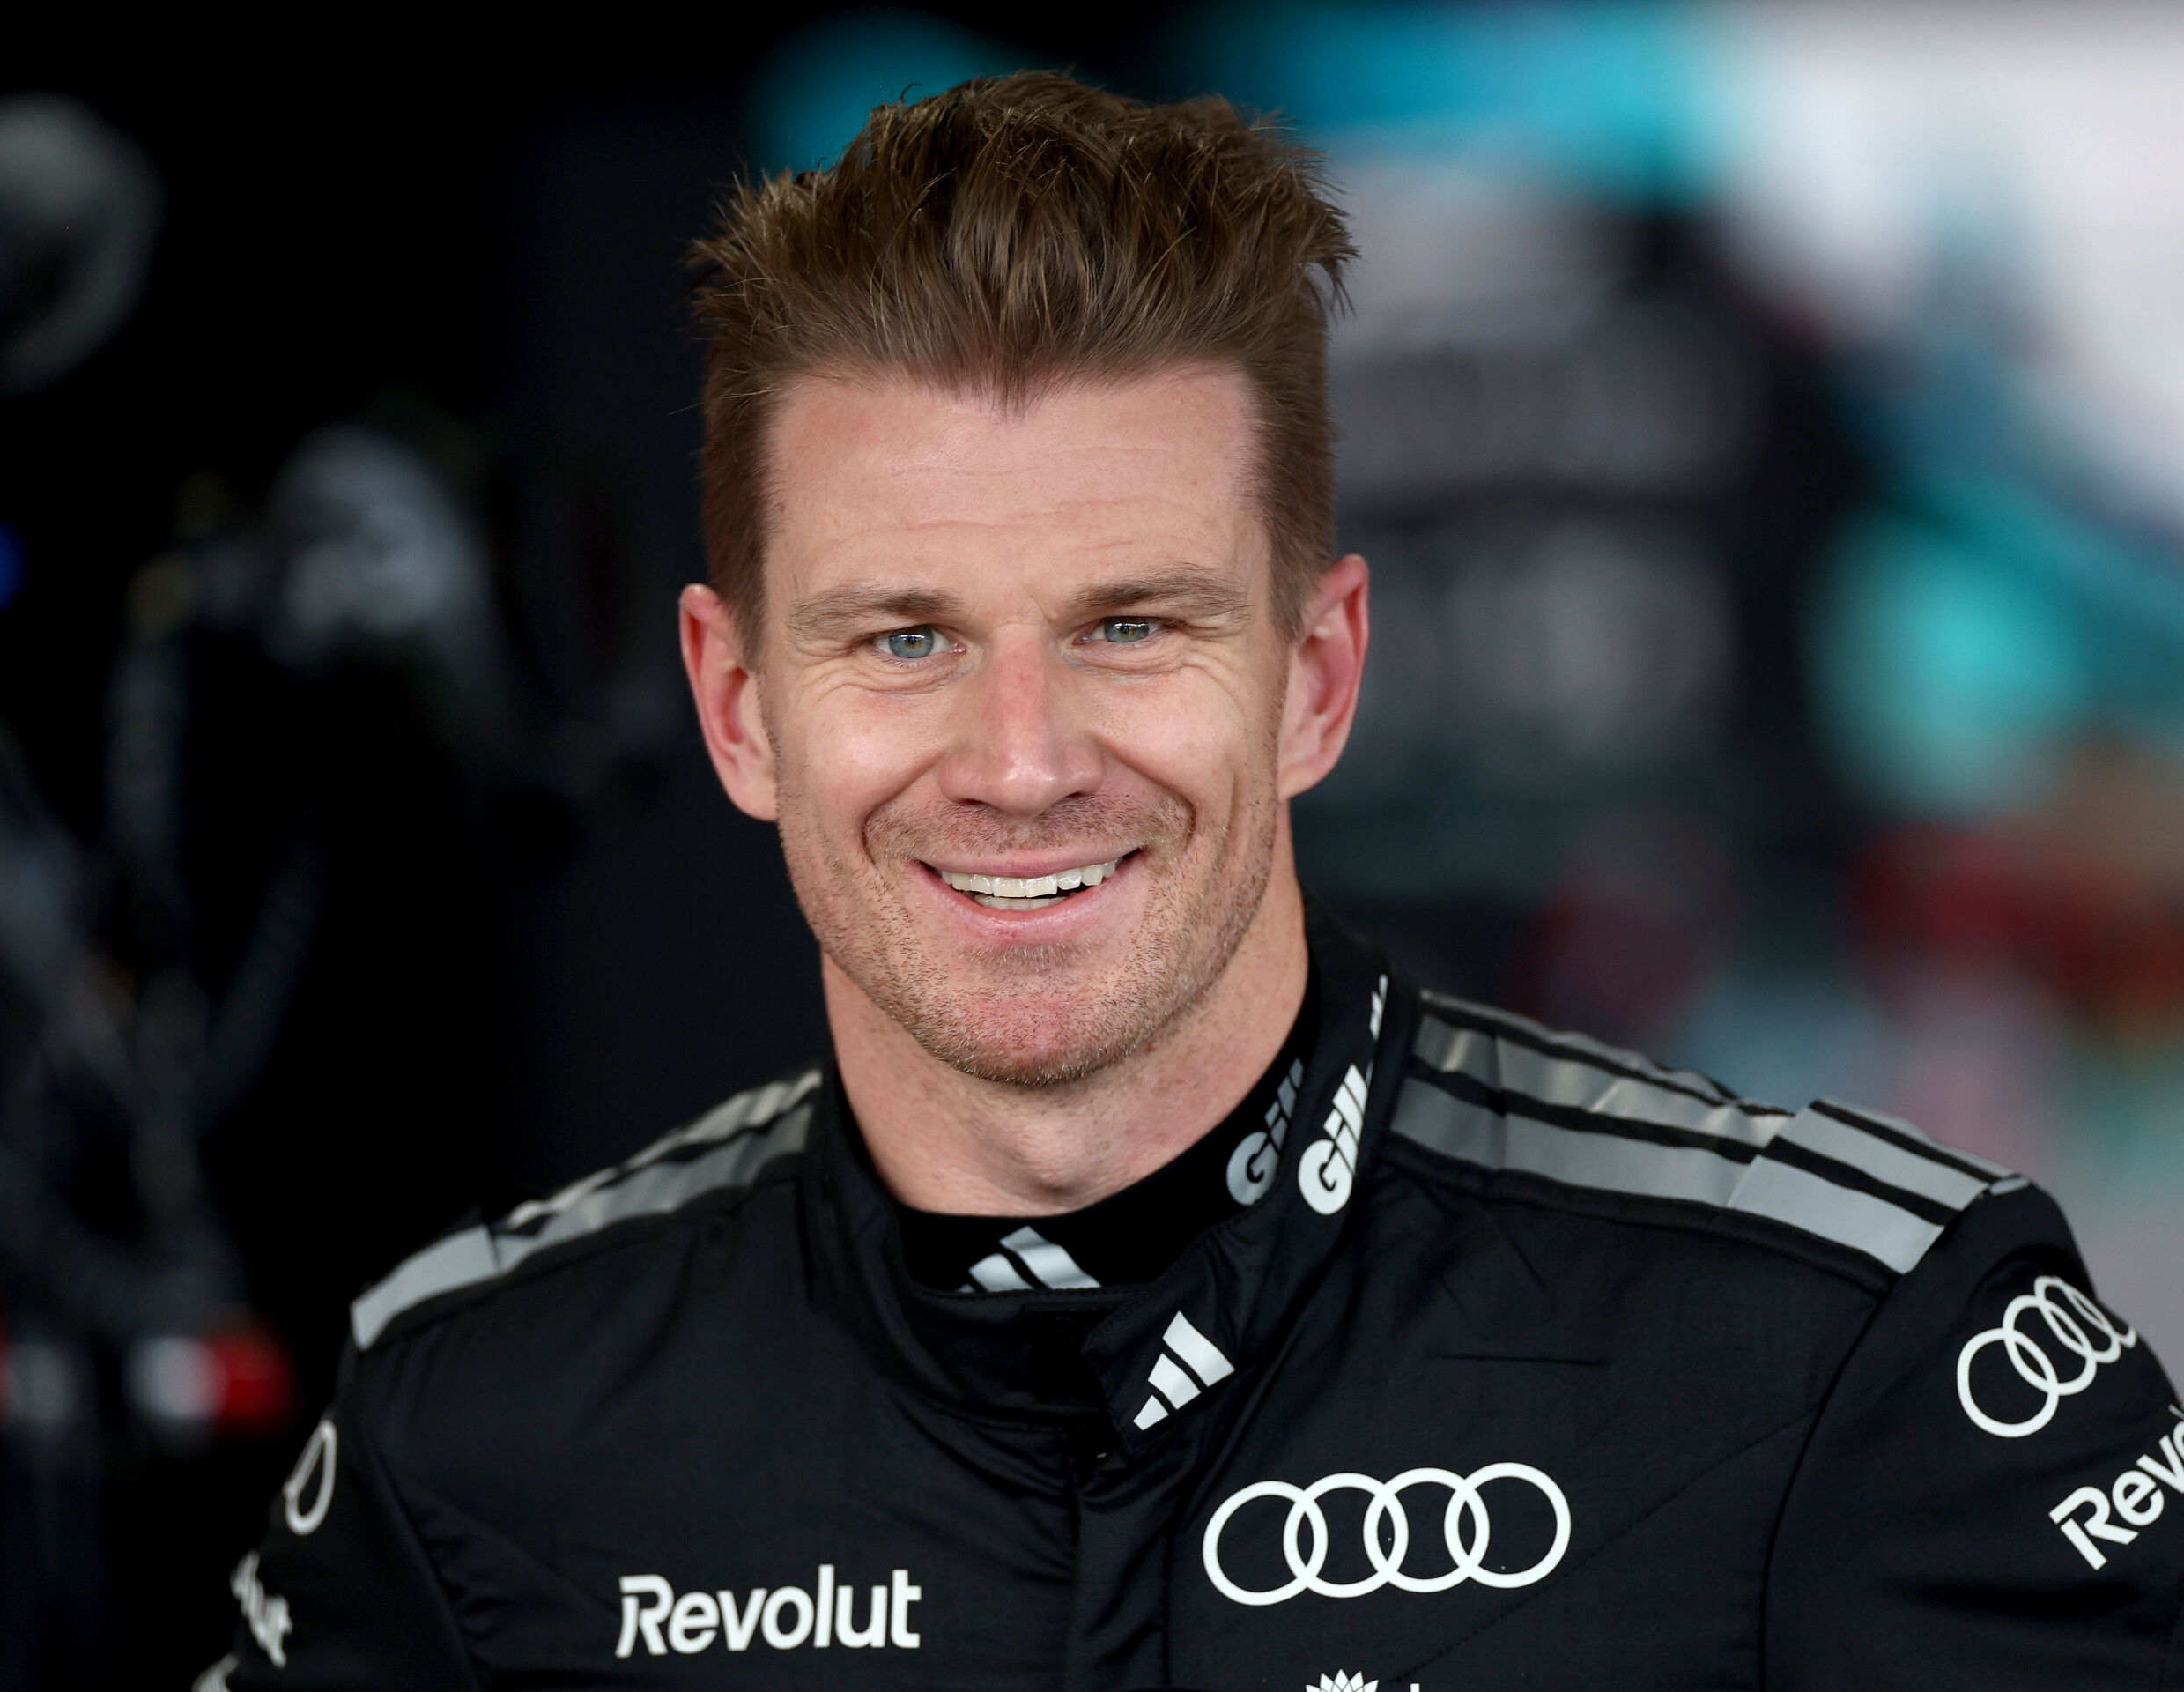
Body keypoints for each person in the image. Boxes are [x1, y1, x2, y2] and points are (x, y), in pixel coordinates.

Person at [202, 73, 2184, 1690]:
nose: (1022, 759)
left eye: (1132, 627)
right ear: (735, 709)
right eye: (902, 638)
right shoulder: (473, 1423)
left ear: (1318, 676)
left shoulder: (1865, 1351)